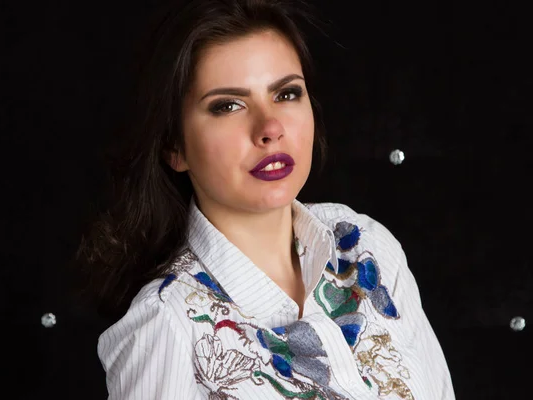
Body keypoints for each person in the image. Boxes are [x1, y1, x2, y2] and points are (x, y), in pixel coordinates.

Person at [75, 0, 455, 398]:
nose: (270, 127)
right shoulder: (167, 323)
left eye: (287, 94)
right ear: (175, 147)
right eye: (228, 106)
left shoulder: (365, 245)